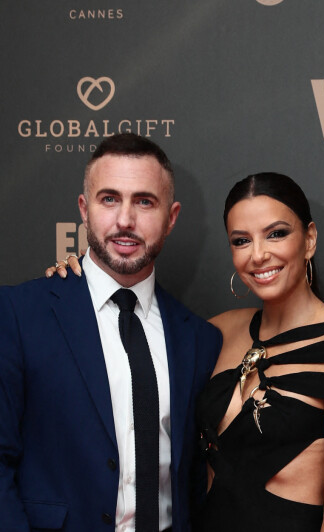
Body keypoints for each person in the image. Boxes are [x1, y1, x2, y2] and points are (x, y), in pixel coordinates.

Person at [0, 133, 222, 532]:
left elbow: (193, 479)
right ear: (84, 209)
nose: (125, 220)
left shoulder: (199, 339)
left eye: (144, 201)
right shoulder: (18, 314)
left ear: (171, 217)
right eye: (109, 199)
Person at [196, 173, 324, 532]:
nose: (259, 254)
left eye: (276, 233)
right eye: (242, 240)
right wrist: (80, 280)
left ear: (309, 240)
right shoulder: (221, 330)